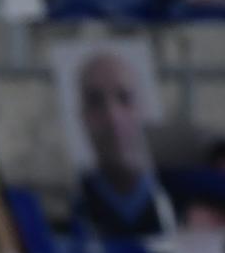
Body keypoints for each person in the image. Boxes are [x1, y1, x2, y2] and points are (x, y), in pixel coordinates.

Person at [73, 51, 175, 238]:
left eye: (125, 98)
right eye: (96, 101)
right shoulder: (74, 205)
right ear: (83, 116)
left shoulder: (177, 199)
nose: (113, 116)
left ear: (144, 110)